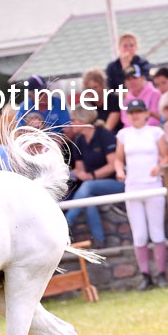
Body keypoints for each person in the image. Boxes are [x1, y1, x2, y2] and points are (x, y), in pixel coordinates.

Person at [115, 97, 168, 290]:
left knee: (157, 231)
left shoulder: (155, 132)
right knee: (139, 234)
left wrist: (159, 166)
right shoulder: (123, 134)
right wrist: (120, 171)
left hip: (153, 185)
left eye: (139, 112)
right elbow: (118, 159)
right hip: (133, 187)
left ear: (146, 113)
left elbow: (165, 157)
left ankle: (161, 273)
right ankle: (145, 275)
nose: (136, 116)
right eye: (132, 113)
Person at [64, 106, 122, 247]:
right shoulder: (79, 141)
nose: (71, 123)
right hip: (91, 188)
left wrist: (91, 176)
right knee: (87, 199)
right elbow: (79, 170)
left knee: (88, 187)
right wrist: (78, 174)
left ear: (83, 121)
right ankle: (99, 240)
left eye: (74, 119)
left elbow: (112, 165)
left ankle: (66, 224)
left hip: (115, 183)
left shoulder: (104, 135)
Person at [80, 67, 121, 131]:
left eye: (95, 87)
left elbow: (108, 129)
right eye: (89, 88)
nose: (92, 91)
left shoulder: (114, 100)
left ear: (102, 85)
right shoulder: (87, 104)